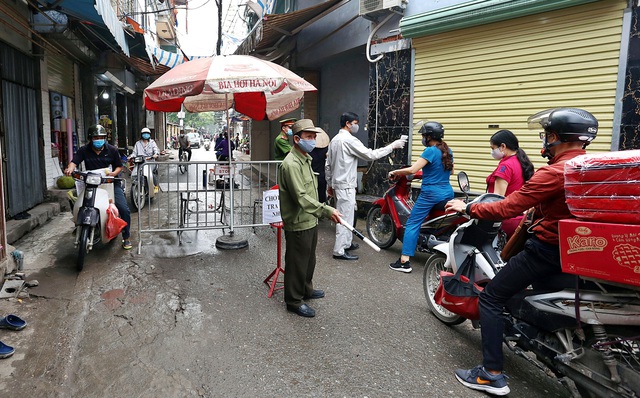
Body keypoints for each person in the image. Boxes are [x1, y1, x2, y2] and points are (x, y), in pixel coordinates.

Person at [445, 108, 598, 396]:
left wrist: (466, 207)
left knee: (491, 298)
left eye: (548, 134)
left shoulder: (555, 172)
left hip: (545, 250)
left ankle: (491, 374)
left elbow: (505, 207)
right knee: (540, 297)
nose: (545, 140)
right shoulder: (593, 169)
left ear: (556, 137)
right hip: (581, 251)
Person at [278, 119, 342, 318]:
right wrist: (326, 210)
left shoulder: (305, 158)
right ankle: (294, 300)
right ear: (296, 139)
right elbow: (301, 196)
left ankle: (306, 289)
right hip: (298, 221)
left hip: (310, 218)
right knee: (297, 261)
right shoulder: (291, 164)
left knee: (309, 259)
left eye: (314, 137)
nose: (313, 140)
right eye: (309, 137)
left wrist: (320, 212)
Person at [325, 112, 406, 261]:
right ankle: (339, 250)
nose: (358, 126)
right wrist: (392, 146)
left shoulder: (334, 140)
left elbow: (328, 165)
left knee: (347, 216)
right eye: (355, 123)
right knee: (344, 218)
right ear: (348, 124)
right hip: (345, 185)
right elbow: (370, 155)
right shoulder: (349, 140)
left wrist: (330, 184)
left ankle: (347, 243)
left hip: (338, 184)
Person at [388, 121, 454, 273]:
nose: (423, 138)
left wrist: (396, 172)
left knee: (412, 223)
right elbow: (449, 172)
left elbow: (412, 169)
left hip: (431, 195)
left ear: (430, 137)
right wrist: (429, 174)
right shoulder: (448, 150)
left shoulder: (430, 151)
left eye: (424, 135)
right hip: (447, 193)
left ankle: (404, 262)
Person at [64, 124, 132, 250]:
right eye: (96, 137)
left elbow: (119, 166)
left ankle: (126, 237)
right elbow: (74, 162)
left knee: (124, 209)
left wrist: (113, 174)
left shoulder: (112, 150)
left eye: (101, 137)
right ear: (90, 138)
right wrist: (70, 169)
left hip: (110, 182)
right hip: (91, 183)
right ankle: (80, 225)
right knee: (77, 203)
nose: (98, 139)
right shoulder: (84, 150)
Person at [486, 129, 535, 238]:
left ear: (503, 146)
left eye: (493, 148)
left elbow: (497, 199)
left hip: (505, 221)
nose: (492, 152)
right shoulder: (521, 161)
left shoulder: (505, 166)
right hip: (520, 218)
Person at [310, 127, 330, 203]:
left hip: (311, 175)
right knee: (321, 196)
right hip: (321, 175)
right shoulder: (325, 149)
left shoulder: (309, 149)